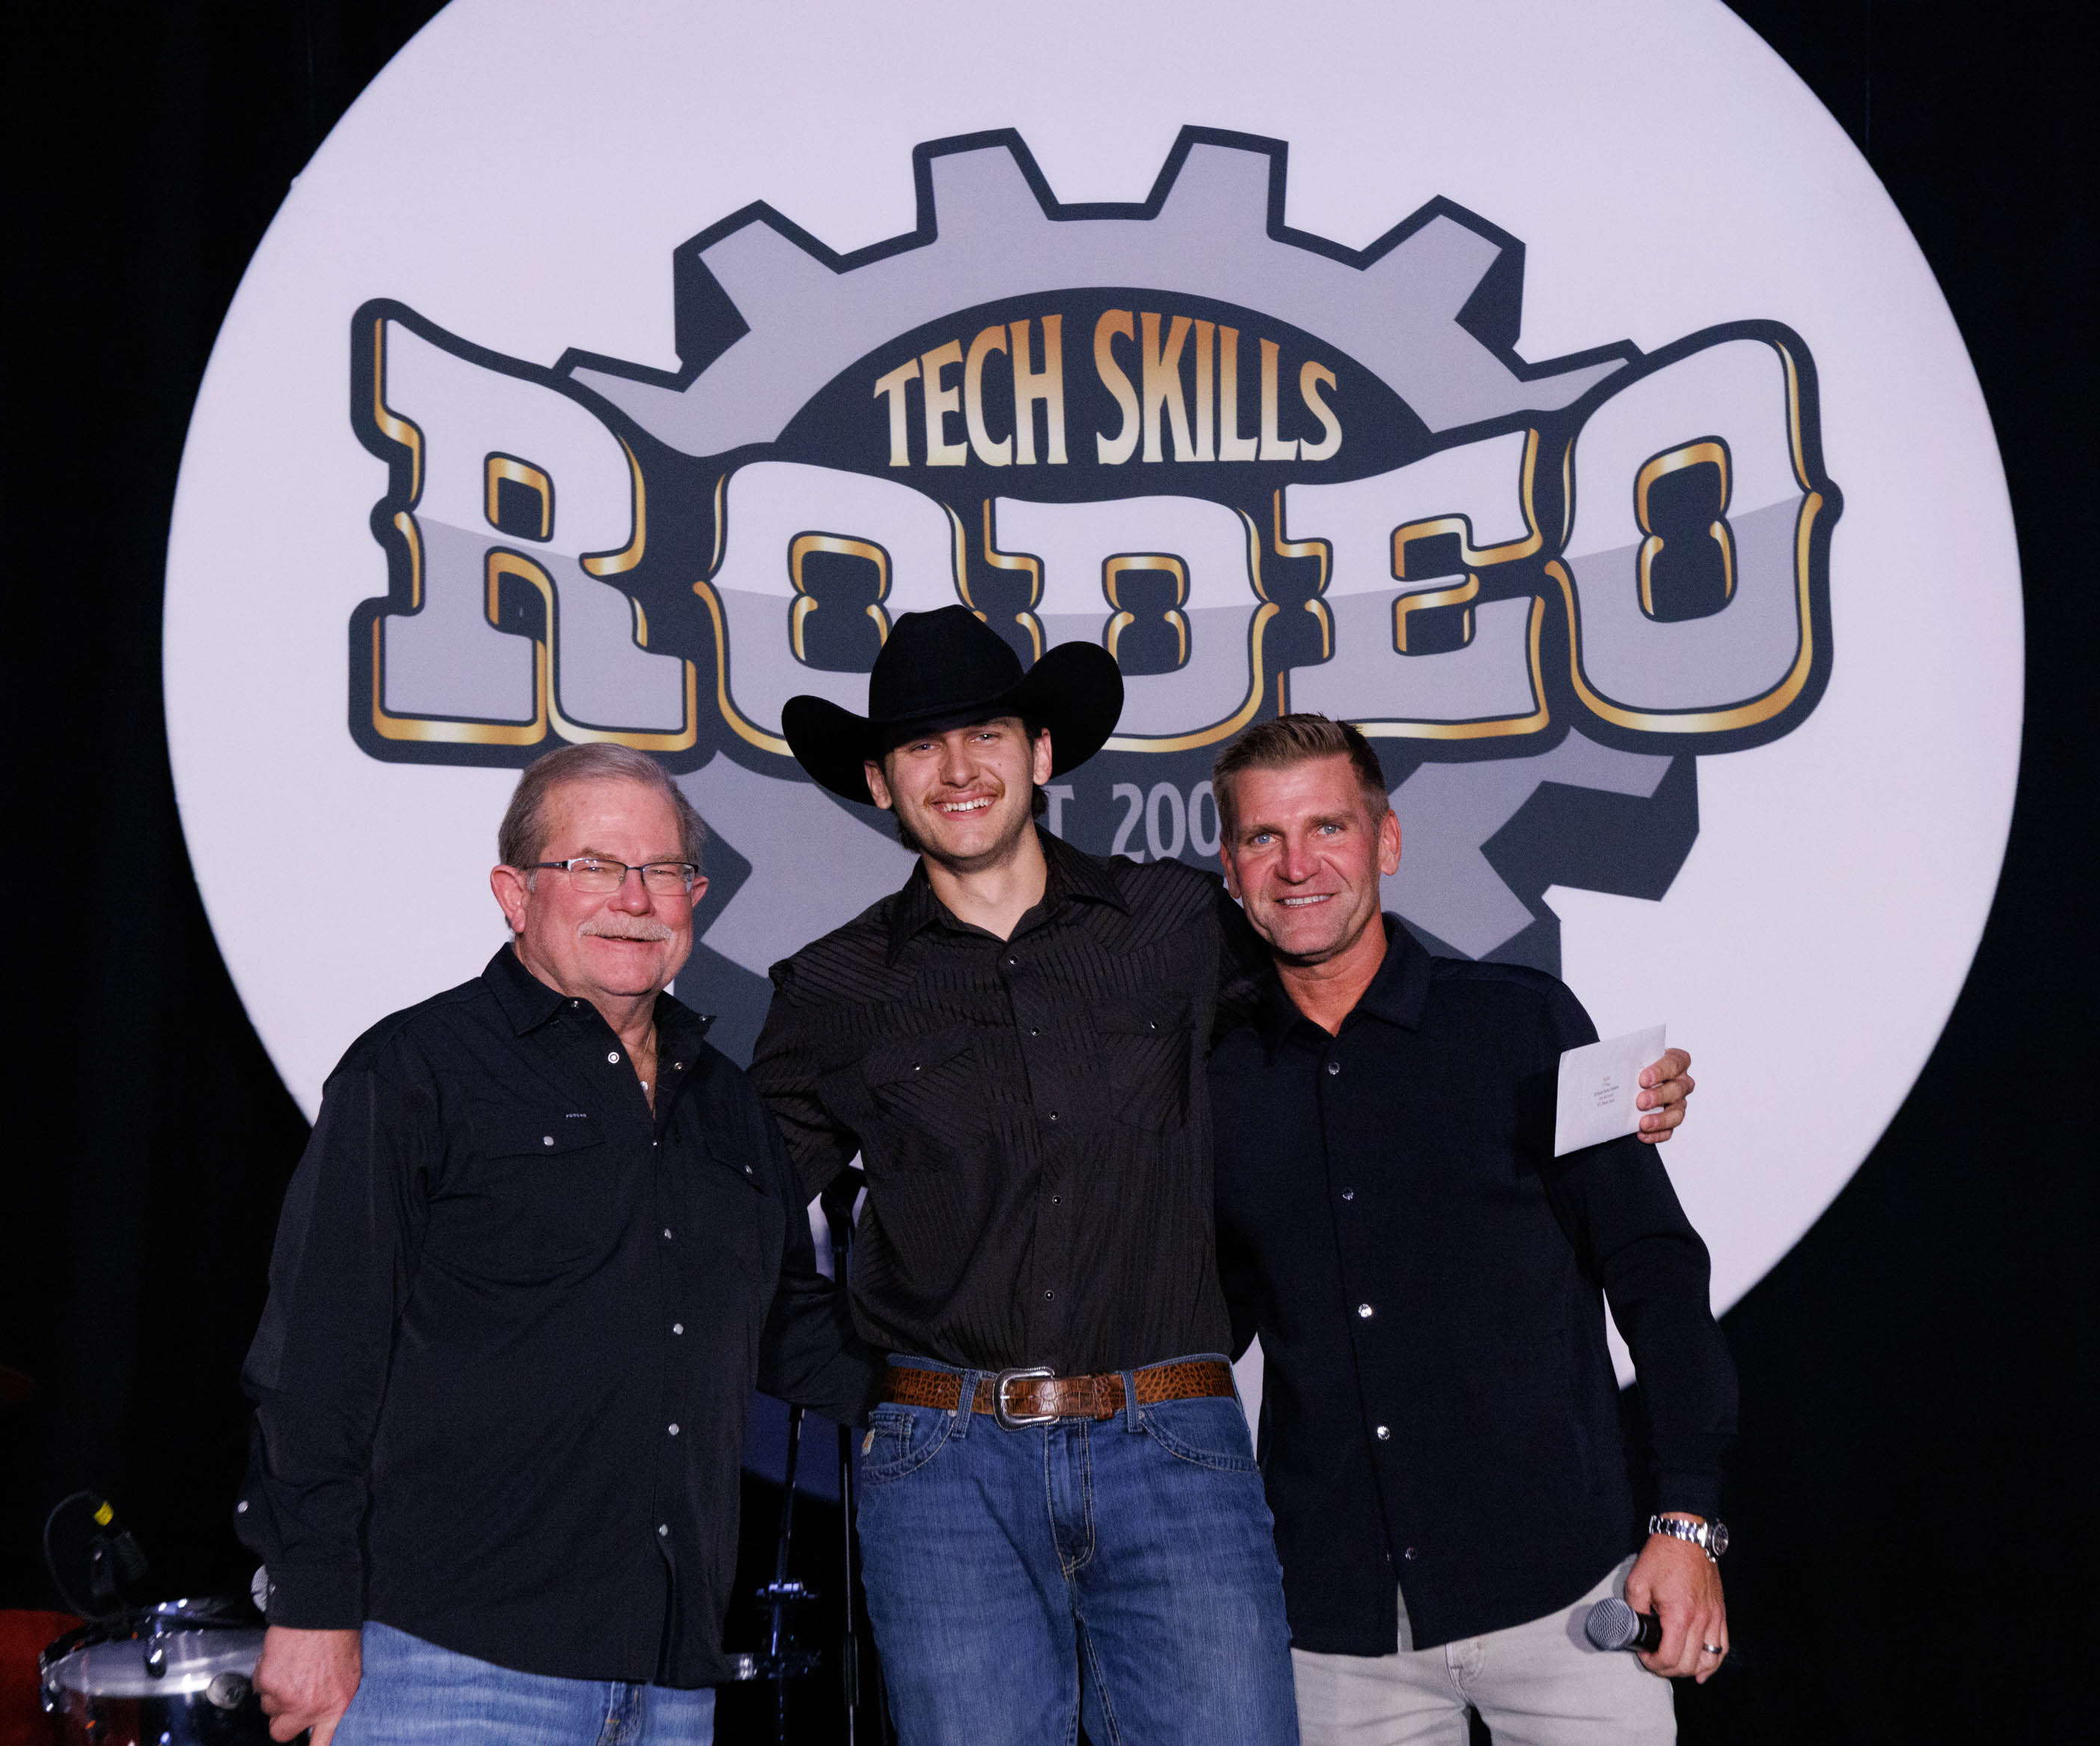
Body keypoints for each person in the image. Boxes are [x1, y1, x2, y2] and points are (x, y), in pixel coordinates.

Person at [750, 610, 1697, 1746]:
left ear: (1041, 752)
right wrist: (870, 1382)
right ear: (878, 778)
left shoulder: (1175, 925)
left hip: (1171, 1449)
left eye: (988, 733)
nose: (958, 770)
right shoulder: (834, 988)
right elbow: (722, 1219)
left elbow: (1358, 998)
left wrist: (1597, 1091)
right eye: (919, 747)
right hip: (947, 1474)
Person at [236, 744, 871, 1746]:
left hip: (671, 1684)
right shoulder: (415, 1073)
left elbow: (793, 1332)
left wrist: (979, 1367)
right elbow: (318, 1357)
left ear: (695, 896)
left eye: (661, 869)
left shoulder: (731, 1108)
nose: (633, 897)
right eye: (591, 865)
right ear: (514, 892)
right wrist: (311, 1604)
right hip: (452, 1668)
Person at [1205, 714, 1737, 1746]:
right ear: (1229, 866)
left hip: (1569, 1605)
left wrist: (1687, 1520)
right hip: (1336, 1637)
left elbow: (1656, 1273)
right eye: (1264, 837)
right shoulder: (1215, 1080)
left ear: (1387, 841)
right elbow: (1201, 1321)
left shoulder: (1522, 1026)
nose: (1298, 863)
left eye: (1328, 826)